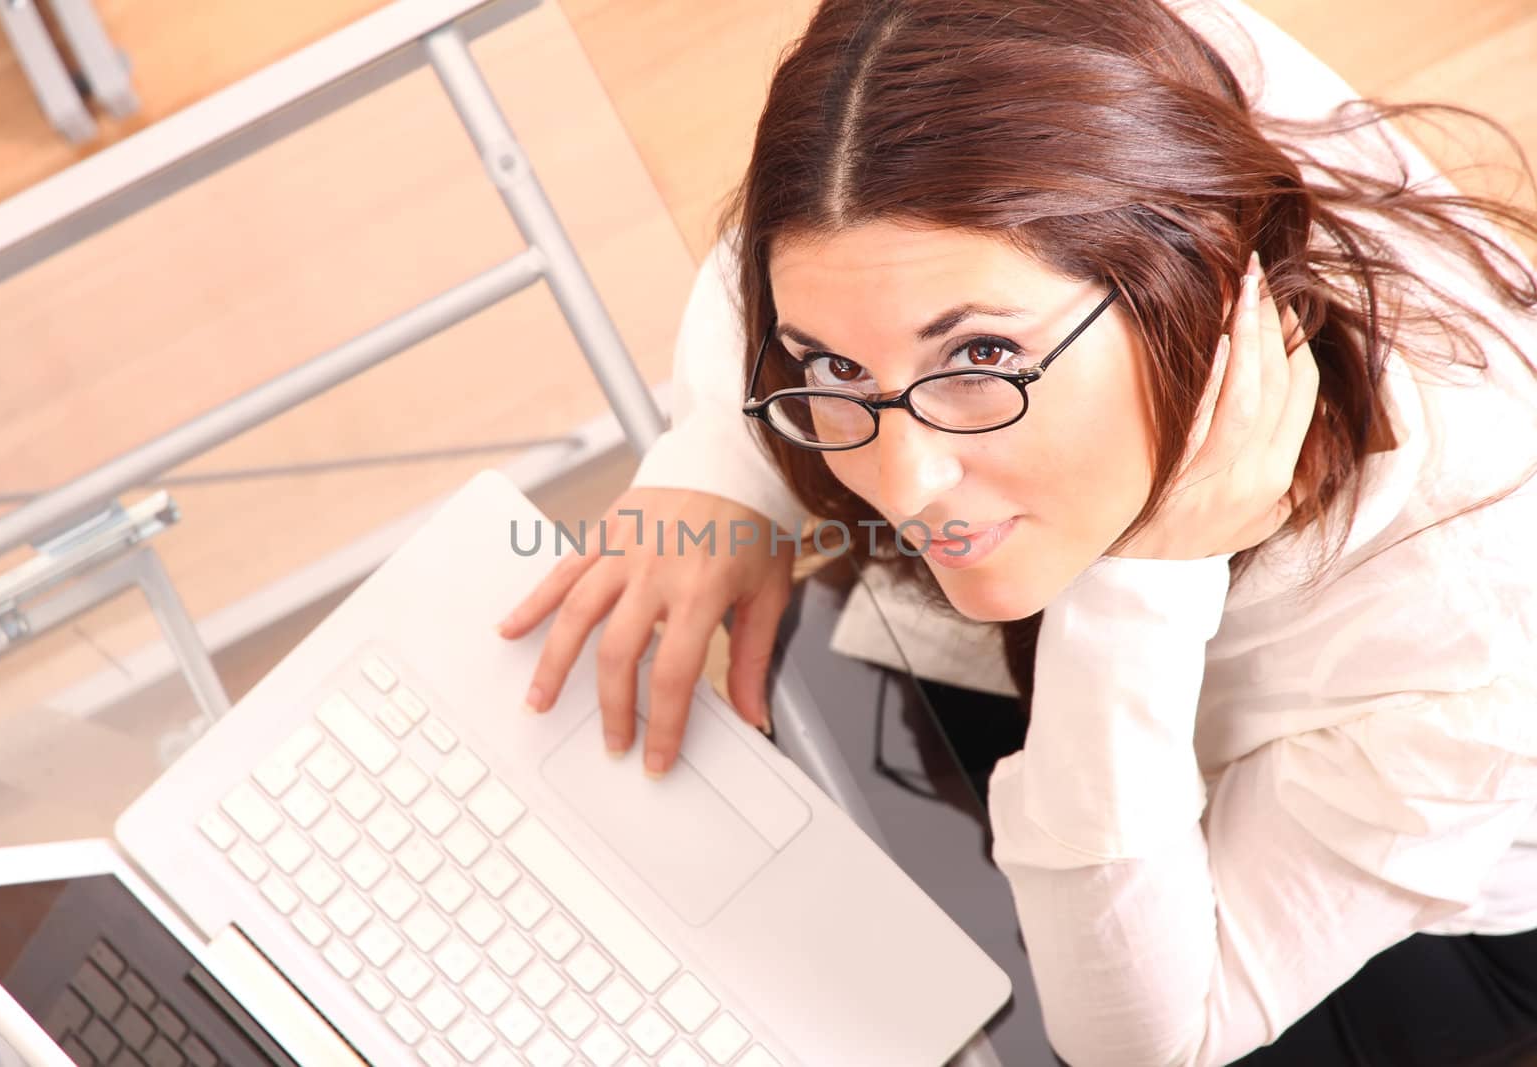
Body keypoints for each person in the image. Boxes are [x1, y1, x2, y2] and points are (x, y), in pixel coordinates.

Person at [499, 0, 1537, 1062]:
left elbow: (1145, 1035)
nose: (904, 483)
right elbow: (837, 230)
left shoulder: (1468, 631)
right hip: (1072, 679)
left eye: (981, 358)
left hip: (1399, 924)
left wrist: (1146, 583)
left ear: (1194, 279)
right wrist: (716, 468)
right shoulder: (1100, 62)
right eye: (831, 370)